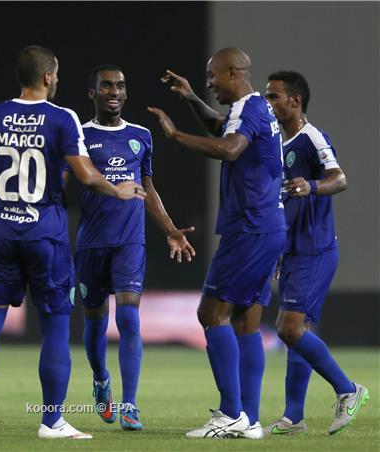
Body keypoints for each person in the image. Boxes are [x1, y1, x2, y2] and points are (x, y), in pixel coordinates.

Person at [0, 45, 146, 441]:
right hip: (46, 236)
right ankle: (52, 420)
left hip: (1, 234)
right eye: (56, 75)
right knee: (56, 327)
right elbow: (86, 176)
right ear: (46, 77)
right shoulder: (62, 118)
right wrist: (119, 190)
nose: (57, 80)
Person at [148, 47, 286, 439]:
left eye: (212, 77)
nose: (209, 83)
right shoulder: (257, 109)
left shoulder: (249, 108)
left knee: (211, 313)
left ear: (231, 72)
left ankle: (230, 414)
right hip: (269, 225)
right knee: (246, 322)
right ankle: (251, 420)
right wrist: (191, 97)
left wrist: (175, 135)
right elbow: (221, 129)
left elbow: (229, 148)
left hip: (249, 227)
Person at [63, 64, 196, 432]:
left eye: (120, 85)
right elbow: (60, 187)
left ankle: (130, 405)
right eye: (106, 85)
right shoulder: (78, 136)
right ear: (92, 93)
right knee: (93, 323)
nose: (114, 91)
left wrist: (169, 229)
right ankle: (101, 378)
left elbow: (148, 190)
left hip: (129, 243)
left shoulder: (141, 136)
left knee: (128, 318)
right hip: (90, 244)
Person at [263, 71, 368, 436]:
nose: (269, 103)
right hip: (291, 250)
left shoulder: (311, 137)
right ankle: (294, 417)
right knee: (298, 331)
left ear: (295, 101)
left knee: (288, 328)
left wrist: (312, 185)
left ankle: (348, 389)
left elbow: (339, 178)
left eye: (274, 96)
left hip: (316, 249)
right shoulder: (276, 142)